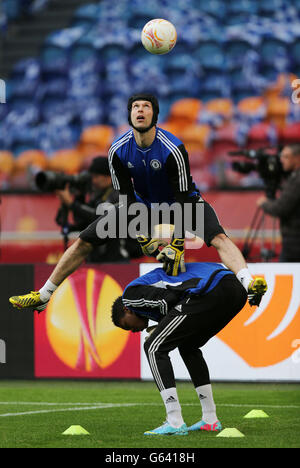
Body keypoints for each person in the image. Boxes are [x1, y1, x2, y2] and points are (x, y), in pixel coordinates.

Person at [9, 93, 266, 312]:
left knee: (218, 238)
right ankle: (43, 296)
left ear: (154, 116)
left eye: (145, 107)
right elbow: (127, 201)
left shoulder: (173, 148)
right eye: (135, 107)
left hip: (184, 203)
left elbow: (181, 199)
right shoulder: (117, 150)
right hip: (140, 206)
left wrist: (176, 244)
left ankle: (249, 284)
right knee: (84, 242)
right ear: (129, 115)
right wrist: (147, 241)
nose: (139, 110)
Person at [111, 261, 248, 435]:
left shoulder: (130, 296)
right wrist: (164, 324)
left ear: (126, 310)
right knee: (188, 346)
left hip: (212, 287)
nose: (134, 331)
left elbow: (170, 299)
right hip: (235, 289)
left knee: (153, 347)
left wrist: (162, 325)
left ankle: (174, 420)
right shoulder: (149, 305)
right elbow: (175, 303)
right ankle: (210, 419)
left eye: (127, 326)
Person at [55, 155, 141, 263]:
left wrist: (72, 204)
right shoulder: (98, 195)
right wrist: (79, 196)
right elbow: (84, 222)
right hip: (97, 259)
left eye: (96, 176)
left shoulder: (120, 193)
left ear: (108, 177)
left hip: (116, 260)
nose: (93, 181)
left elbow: (101, 218)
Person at [257, 144, 300, 262]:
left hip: (294, 241)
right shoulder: (293, 178)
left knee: (285, 273)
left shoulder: (297, 180)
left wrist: (264, 203)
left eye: (286, 157)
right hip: (293, 239)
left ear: (297, 158)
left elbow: (281, 208)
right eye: (281, 157)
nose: (281, 160)